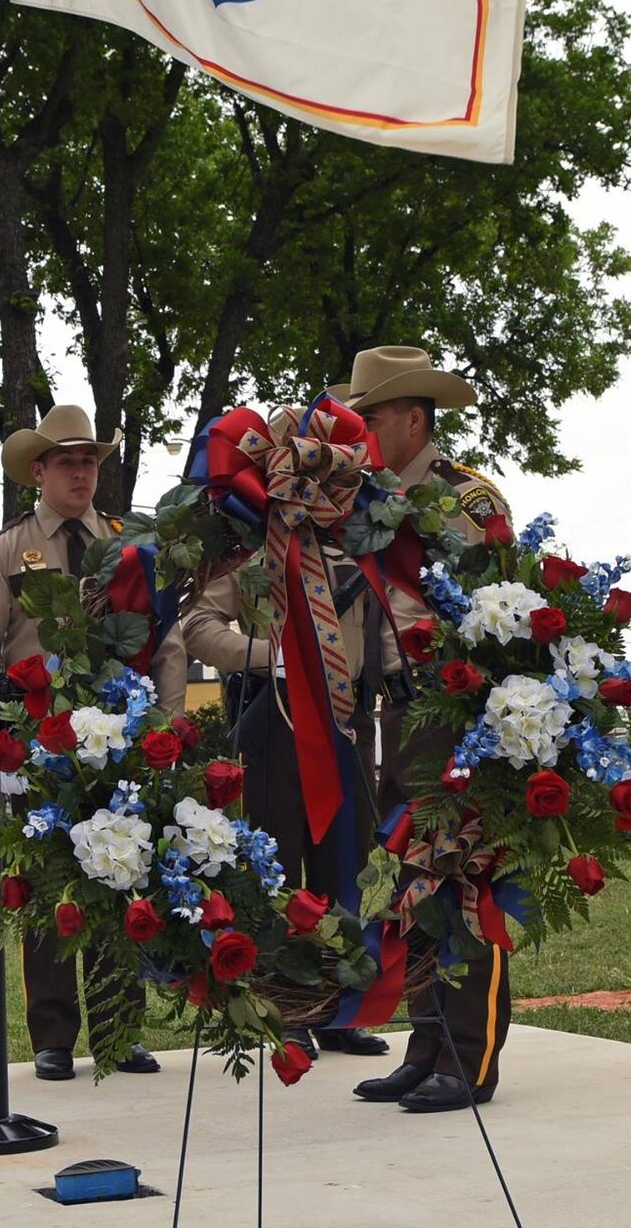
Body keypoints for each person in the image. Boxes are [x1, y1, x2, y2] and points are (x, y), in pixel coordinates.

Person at [340, 347, 515, 1114]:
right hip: (395, 712)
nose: (360, 432)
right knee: (411, 886)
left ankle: (469, 1057)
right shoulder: (363, 501)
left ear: (414, 419)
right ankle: (425, 1044)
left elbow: (503, 610)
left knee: (466, 879)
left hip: (457, 717)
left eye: (370, 418)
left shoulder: (464, 500)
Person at [176, 473, 389, 1064]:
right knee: (276, 875)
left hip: (348, 723)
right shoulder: (254, 557)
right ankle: (286, 1011)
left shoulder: (363, 550)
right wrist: (269, 656)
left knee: (345, 866)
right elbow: (196, 625)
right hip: (277, 724)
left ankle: (341, 1009)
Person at [0, 405, 177, 1079]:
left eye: (90, 461)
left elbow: (167, 641)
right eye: (67, 461)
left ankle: (118, 1026)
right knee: (46, 890)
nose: (80, 472)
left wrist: (167, 722)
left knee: (120, 877)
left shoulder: (130, 545)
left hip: (120, 736)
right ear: (38, 470)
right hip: (42, 741)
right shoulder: (9, 549)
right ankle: (52, 1034)